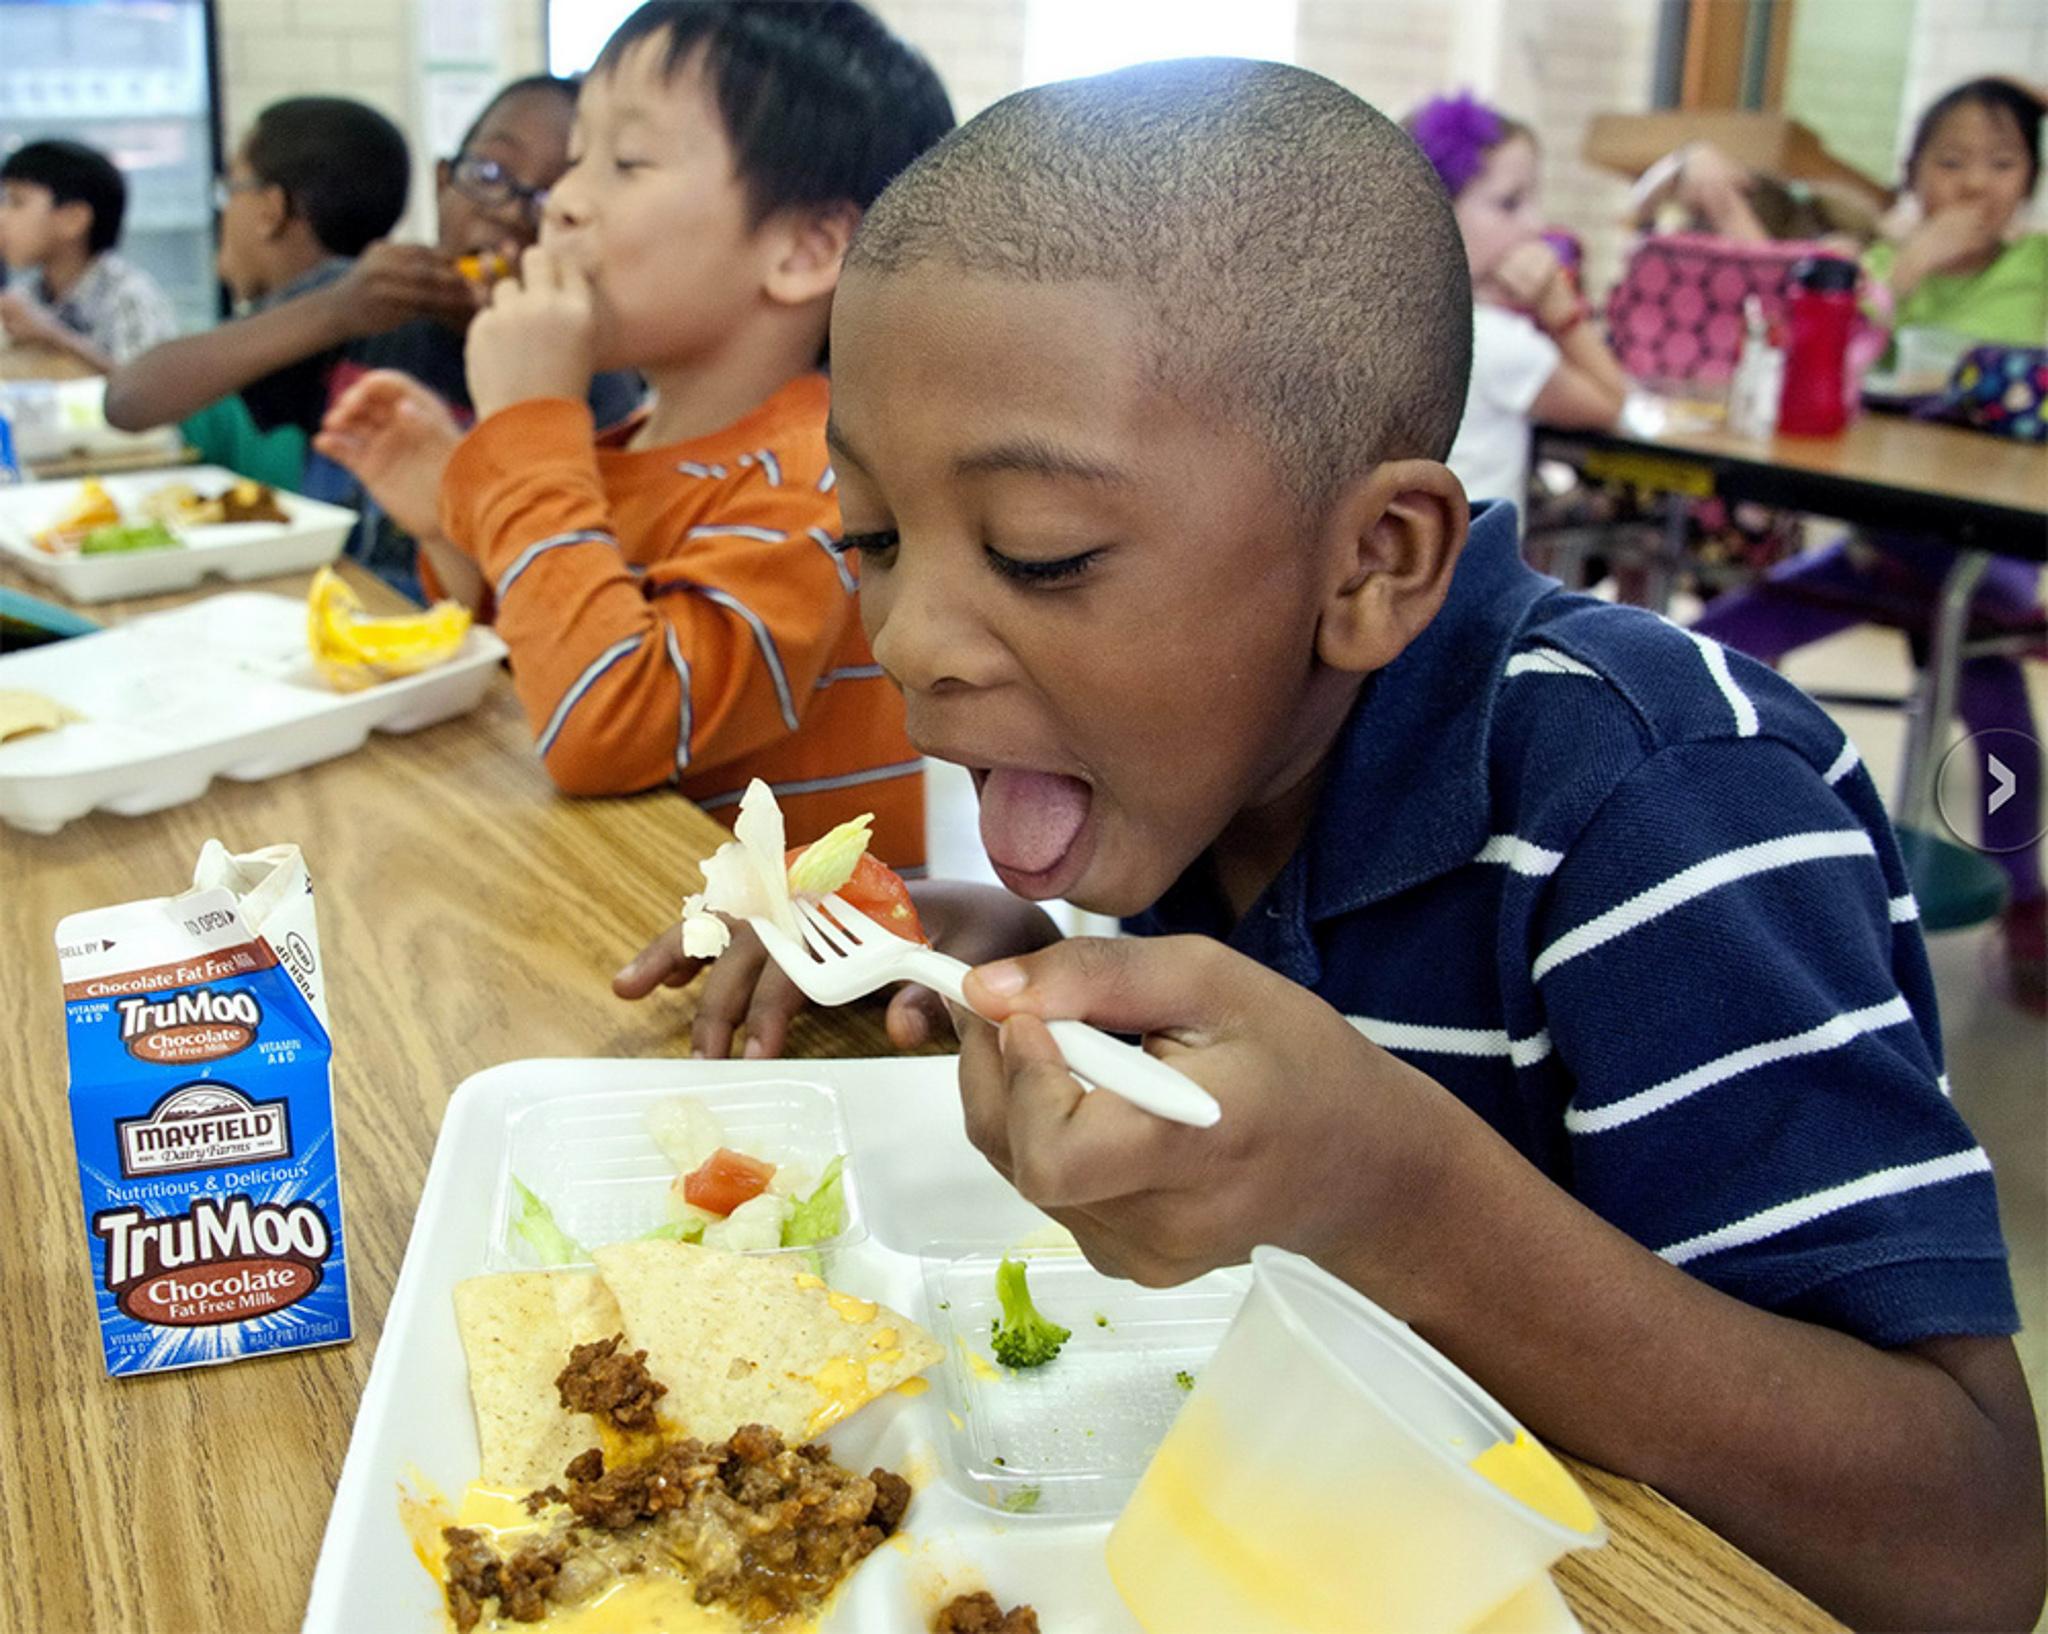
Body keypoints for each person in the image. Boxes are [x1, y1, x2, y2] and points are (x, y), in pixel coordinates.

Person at [623, 61, 2045, 1630]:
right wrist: (996, 963)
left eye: (1040, 551)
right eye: (874, 538)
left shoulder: (1659, 802)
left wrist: (1391, 1194)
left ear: (1373, 559)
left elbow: (1967, 1542)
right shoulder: (1205, 756)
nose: (909, 637)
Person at [315, 0, 954, 863]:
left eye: (625, 162)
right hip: (601, 914)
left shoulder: (815, 482)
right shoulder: (632, 439)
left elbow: (606, 723)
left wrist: (525, 430)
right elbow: (534, 666)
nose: (563, 203)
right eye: (579, 158)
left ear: (804, 249)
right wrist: (451, 518)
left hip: (786, 983)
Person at [1692, 77, 2048, 1013]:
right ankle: (1689, 830)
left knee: (2006, 734)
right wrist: (1911, 262)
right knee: (1720, 642)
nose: (1976, 184)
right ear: (1913, 176)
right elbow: (1831, 374)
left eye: (2004, 163)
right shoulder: (1881, 265)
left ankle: (2027, 900)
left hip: (1982, 563)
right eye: (1951, 161)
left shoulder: (2039, 266)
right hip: (1876, 547)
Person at [104, 82, 638, 597]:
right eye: (490, 172)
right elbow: (130, 400)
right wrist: (334, 312)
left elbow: (567, 581)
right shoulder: (361, 306)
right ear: (442, 182)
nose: (507, 211)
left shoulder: (595, 369)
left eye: (548, 193)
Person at [1406, 92, 1628, 518]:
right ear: (1435, 213)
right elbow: (1610, 403)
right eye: (1510, 203)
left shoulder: (1402, 323)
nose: (1536, 225)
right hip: (1472, 573)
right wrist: (1559, 308)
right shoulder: (1490, 341)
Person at [0, 138, 177, 371]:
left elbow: (154, 393)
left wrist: (53, 337)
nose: (2, 217)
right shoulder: (23, 299)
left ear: (74, 219)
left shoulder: (130, 297)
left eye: (16, 202)